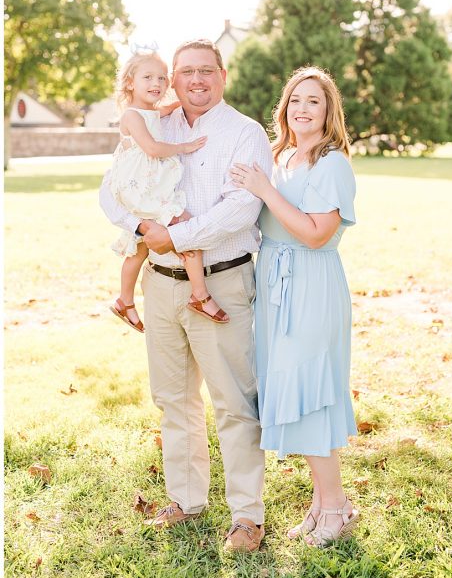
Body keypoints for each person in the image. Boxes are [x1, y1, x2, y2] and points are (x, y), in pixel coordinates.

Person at [100, 38, 273, 551]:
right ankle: (186, 499)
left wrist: (175, 236)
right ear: (172, 80)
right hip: (160, 281)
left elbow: (241, 209)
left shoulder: (245, 133)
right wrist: (141, 227)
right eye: (185, 73)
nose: (195, 81)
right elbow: (112, 187)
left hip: (222, 278)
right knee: (173, 399)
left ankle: (247, 516)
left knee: (233, 403)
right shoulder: (155, 124)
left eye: (206, 71)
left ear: (223, 75)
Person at [230, 67, 359, 547]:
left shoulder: (333, 164)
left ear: (329, 112)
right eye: (296, 100)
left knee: (312, 394)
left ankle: (337, 506)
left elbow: (315, 231)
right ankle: (321, 502)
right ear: (285, 107)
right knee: (290, 390)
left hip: (311, 283)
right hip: (274, 285)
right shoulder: (280, 157)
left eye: (315, 102)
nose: (303, 109)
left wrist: (263, 190)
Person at [106, 50, 228, 333]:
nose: (156, 83)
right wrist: (184, 147)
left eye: (162, 78)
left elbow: (164, 110)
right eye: (147, 77)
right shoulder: (132, 116)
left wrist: (182, 102)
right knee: (186, 230)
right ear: (129, 83)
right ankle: (201, 296)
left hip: (145, 186)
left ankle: (125, 300)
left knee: (138, 246)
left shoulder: (149, 112)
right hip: (142, 188)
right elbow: (152, 148)